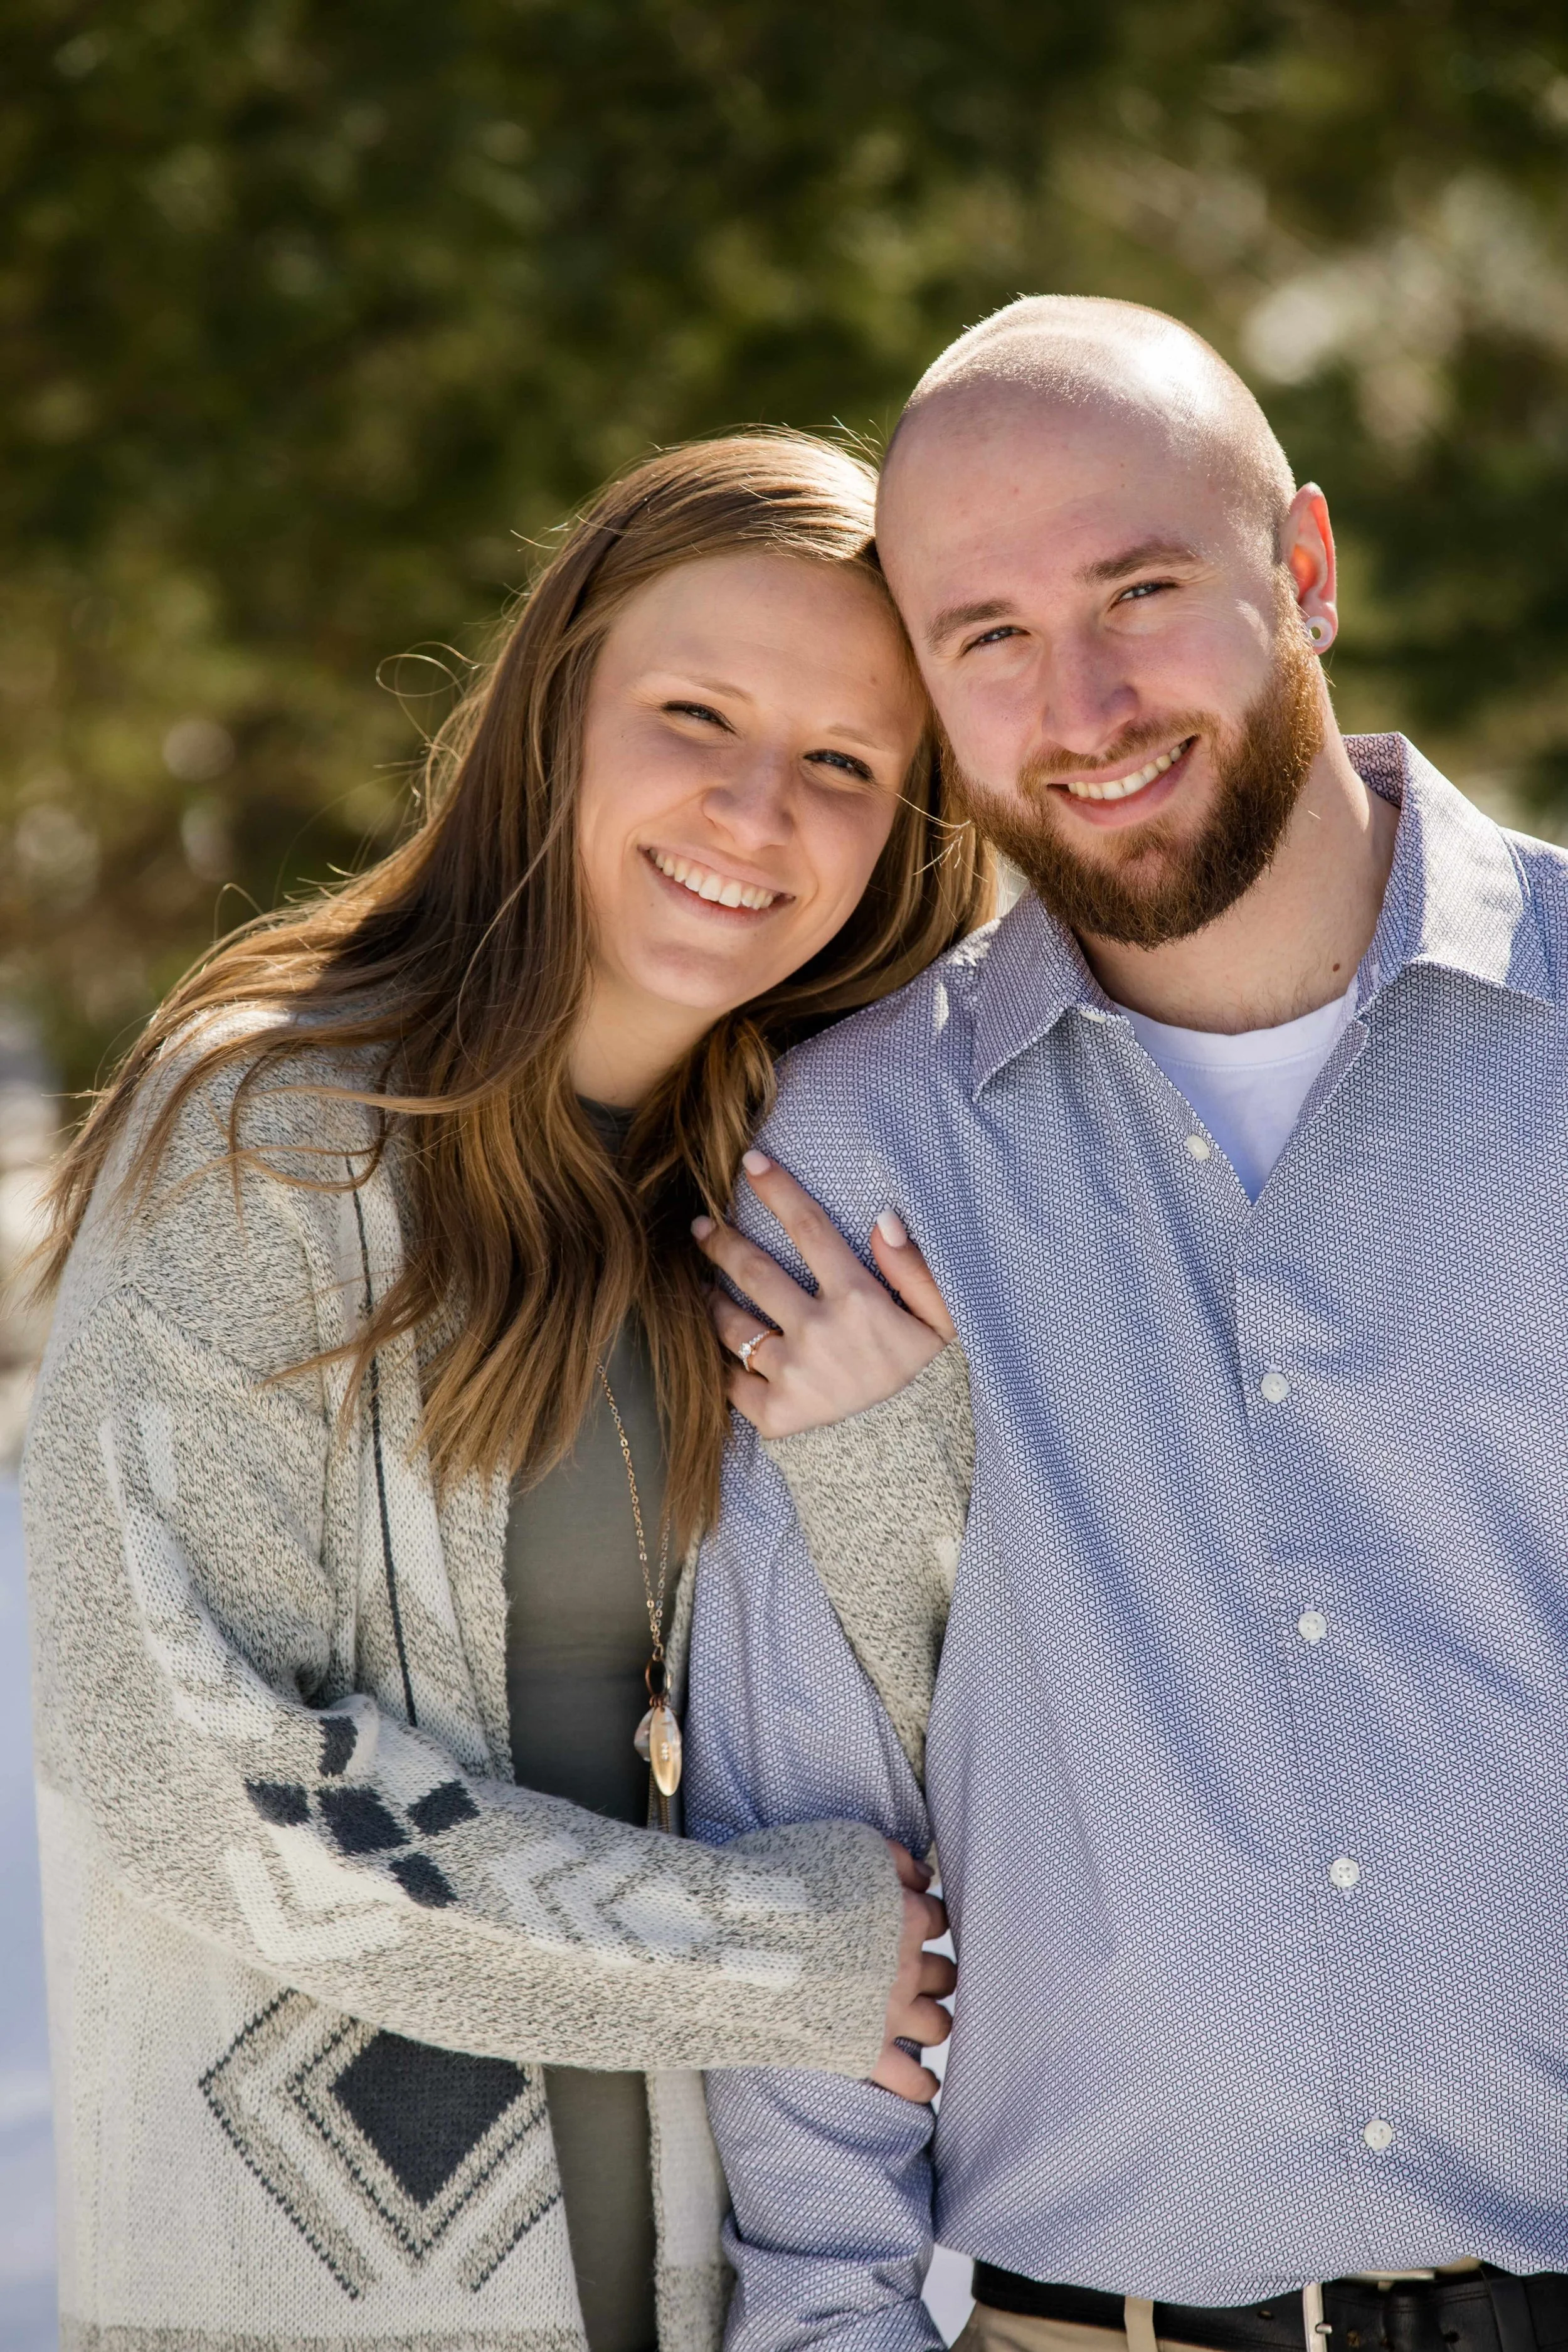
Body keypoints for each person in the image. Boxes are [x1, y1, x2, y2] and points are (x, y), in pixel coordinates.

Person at [21, 432, 979, 2352]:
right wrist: (760, 1958)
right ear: (551, 717)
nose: (751, 806)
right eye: (691, 712)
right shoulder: (270, 1134)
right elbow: (177, 1769)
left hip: (698, 2281)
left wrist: (885, 1453)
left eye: (843, 764)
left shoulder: (780, 1188)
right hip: (304, 2291)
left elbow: (937, 1755)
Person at [686, 299, 1568, 2352]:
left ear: (1309, 572)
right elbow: (802, 1820)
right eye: (983, 633)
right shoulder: (859, 1152)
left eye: (1140, 592)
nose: (1078, 702)